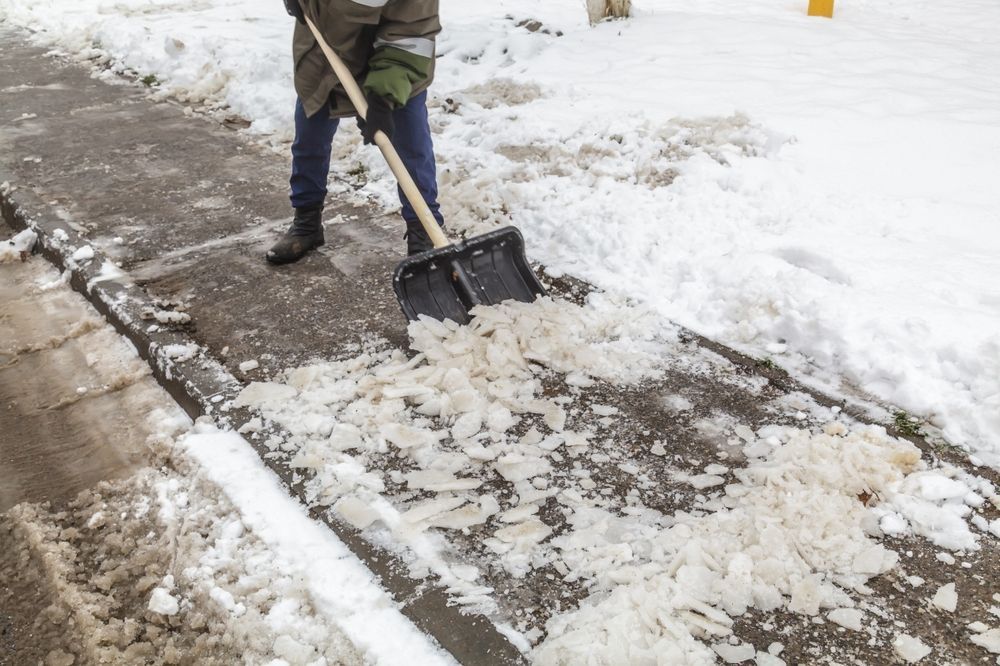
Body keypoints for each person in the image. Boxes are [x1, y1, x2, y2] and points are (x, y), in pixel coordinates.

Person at [267, 0, 446, 265]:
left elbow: (411, 33)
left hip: (398, 60)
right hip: (325, 53)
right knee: (310, 138)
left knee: (410, 147)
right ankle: (306, 223)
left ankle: (424, 234)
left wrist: (382, 99)